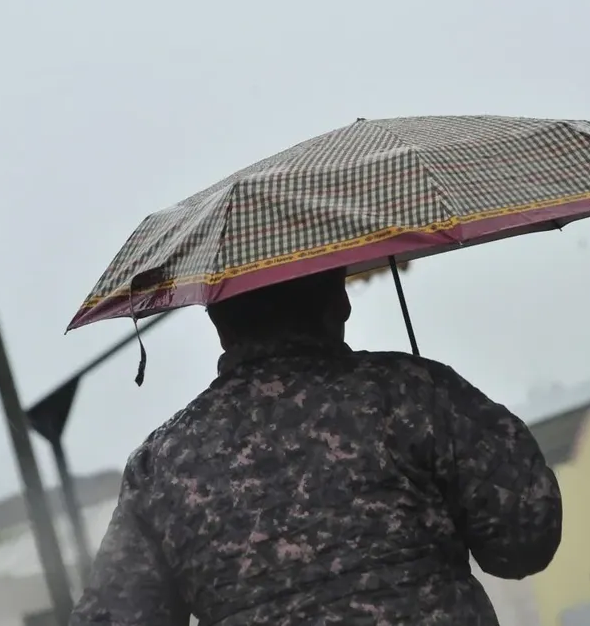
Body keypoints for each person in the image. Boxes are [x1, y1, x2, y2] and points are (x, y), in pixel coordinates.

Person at [70, 267, 562, 625]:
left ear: (217, 321)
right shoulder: (410, 392)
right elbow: (525, 540)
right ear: (338, 303)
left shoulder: (162, 468)